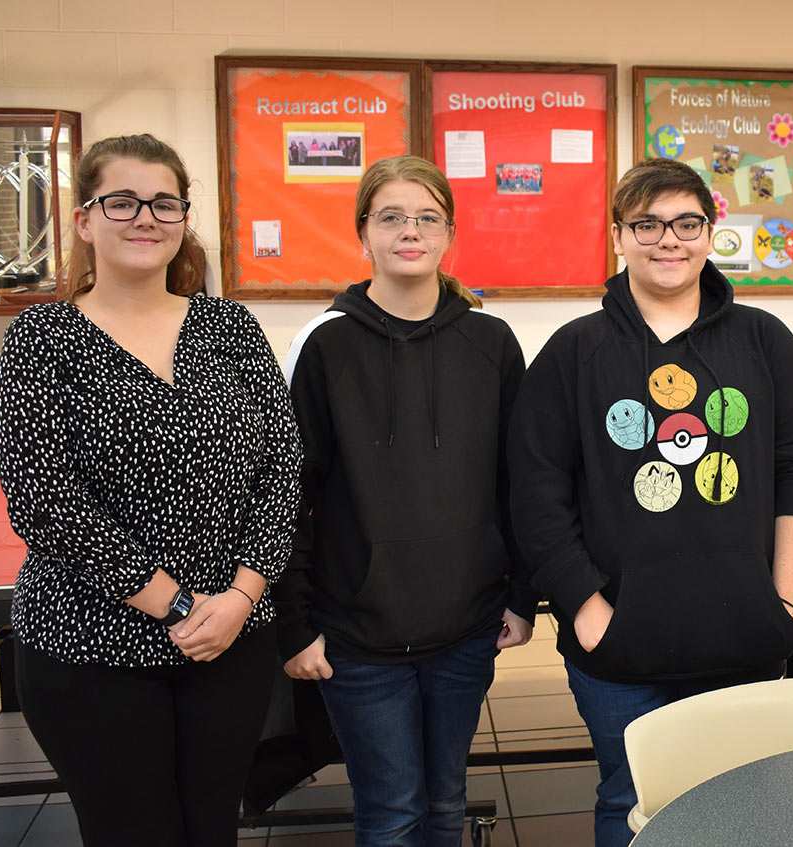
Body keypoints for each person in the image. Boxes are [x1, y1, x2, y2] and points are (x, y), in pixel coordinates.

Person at [0, 133, 301, 845]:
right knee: (133, 831)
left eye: (164, 202)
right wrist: (183, 605)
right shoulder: (42, 340)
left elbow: (281, 469)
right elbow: (44, 501)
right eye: (122, 200)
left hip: (230, 641)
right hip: (91, 646)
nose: (145, 217)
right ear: (84, 219)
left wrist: (241, 597)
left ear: (184, 217)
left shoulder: (228, 327)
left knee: (213, 825)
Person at [508, 158, 793, 847]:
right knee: (630, 800)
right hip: (619, 648)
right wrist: (589, 614)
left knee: (740, 807)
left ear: (711, 232)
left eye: (686, 222)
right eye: (646, 224)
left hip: (743, 637)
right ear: (618, 233)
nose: (667, 239)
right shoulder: (573, 352)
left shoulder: (764, 341)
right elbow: (535, 492)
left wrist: (786, 602)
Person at [276, 154, 535, 846]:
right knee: (391, 812)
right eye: (391, 216)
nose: (409, 231)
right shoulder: (324, 344)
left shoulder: (492, 342)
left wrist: (521, 595)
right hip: (358, 634)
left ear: (449, 233)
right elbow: (291, 493)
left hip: (468, 626)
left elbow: (521, 481)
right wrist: (293, 621)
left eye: (426, 217)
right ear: (364, 232)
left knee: (446, 803)